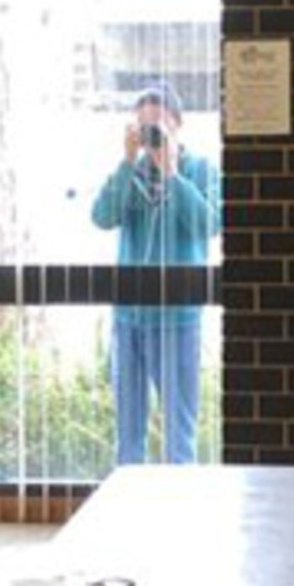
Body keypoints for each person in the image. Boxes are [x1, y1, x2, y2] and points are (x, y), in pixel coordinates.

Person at [91, 81, 220, 464]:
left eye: (158, 126)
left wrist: (173, 174)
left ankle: (182, 509)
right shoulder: (131, 172)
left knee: (180, 433)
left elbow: (208, 225)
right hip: (129, 316)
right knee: (128, 433)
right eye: (143, 126)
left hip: (178, 317)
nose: (151, 135)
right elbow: (102, 216)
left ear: (177, 124)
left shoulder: (200, 169)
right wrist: (128, 162)